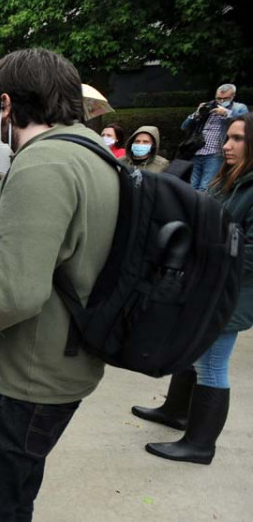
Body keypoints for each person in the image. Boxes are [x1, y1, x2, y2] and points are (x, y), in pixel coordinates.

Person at [0, 48, 120, 521]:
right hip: (52, 369)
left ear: (7, 106)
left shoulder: (43, 165)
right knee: (12, 500)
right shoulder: (91, 155)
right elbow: (60, 258)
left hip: (17, 382)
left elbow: (10, 298)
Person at [138, 113, 253, 465]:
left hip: (231, 293)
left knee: (213, 364)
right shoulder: (229, 179)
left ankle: (201, 444)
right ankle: (176, 412)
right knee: (191, 348)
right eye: (227, 137)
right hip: (211, 285)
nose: (226, 145)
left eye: (237, 139)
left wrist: (204, 260)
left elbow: (248, 253)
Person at [182, 84, 249, 190]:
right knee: (192, 186)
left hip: (215, 153)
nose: (221, 101)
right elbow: (184, 126)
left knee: (206, 186)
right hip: (197, 151)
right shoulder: (209, 107)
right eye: (219, 98)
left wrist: (226, 113)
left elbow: (245, 125)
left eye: (225, 98)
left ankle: (202, 206)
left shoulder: (239, 108)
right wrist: (197, 113)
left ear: (233, 96)